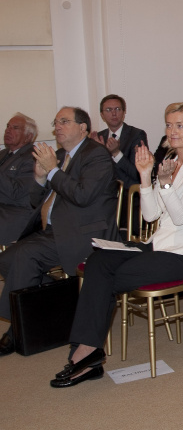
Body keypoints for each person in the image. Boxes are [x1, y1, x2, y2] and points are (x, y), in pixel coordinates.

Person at [47, 102, 183, 387]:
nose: (172, 131)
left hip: (182, 256)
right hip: (156, 246)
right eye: (169, 125)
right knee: (98, 259)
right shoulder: (170, 163)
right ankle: (88, 352)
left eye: (180, 125)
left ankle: (85, 354)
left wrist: (164, 184)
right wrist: (145, 175)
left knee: (105, 277)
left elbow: (180, 215)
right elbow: (150, 215)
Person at [0, 107, 118, 355]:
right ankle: (63, 299)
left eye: (65, 121)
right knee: (6, 260)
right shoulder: (60, 154)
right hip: (54, 230)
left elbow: (82, 196)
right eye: (56, 122)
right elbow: (34, 200)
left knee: (24, 256)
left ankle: (16, 331)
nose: (58, 126)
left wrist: (53, 171)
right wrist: (40, 177)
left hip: (84, 233)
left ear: (83, 128)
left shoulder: (96, 155)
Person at [91, 94, 149, 189]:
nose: (114, 113)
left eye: (118, 109)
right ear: (102, 115)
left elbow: (138, 174)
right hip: (105, 195)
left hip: (128, 195)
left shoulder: (136, 135)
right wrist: (102, 153)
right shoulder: (98, 138)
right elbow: (95, 174)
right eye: (109, 110)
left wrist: (116, 153)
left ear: (124, 112)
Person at [0, 113, 39, 248]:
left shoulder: (33, 157)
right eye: (7, 126)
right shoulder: (3, 154)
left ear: (28, 136)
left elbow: (16, 193)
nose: (8, 130)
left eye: (15, 128)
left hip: (14, 215)